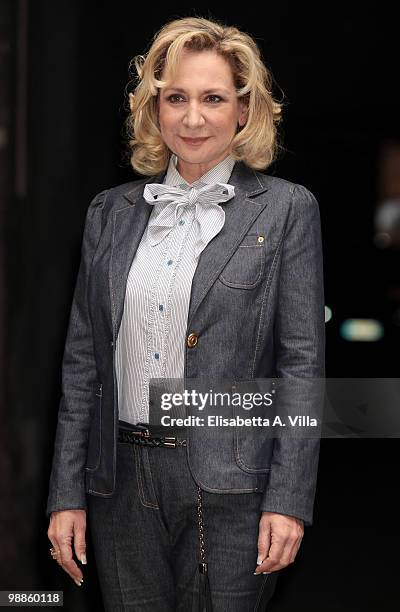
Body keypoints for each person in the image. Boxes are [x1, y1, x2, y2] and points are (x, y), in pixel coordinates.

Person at [46, 15, 325, 611]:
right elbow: (82, 366)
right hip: (118, 482)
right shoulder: (110, 212)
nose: (193, 118)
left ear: (244, 111)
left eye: (213, 98)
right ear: (154, 108)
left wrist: (288, 499)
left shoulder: (285, 210)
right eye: (176, 98)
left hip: (232, 488)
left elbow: (301, 367)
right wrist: (66, 492)